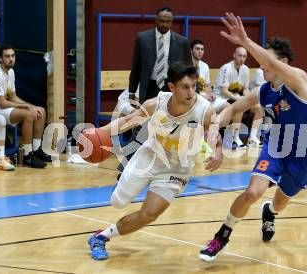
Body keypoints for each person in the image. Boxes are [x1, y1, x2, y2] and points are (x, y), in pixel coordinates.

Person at [199, 13, 307, 261]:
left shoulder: (300, 80)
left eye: (266, 59)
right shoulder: (264, 90)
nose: (260, 63)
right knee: (253, 192)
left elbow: (274, 65)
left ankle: (270, 213)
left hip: (304, 154)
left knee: (280, 202)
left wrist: (245, 41)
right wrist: (215, 128)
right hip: (277, 144)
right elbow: (234, 108)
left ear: (283, 62)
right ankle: (221, 236)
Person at [87, 62, 223, 260]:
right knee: (117, 202)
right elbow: (126, 122)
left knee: (149, 214)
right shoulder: (156, 104)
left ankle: (100, 237)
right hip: (150, 156)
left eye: (194, 86)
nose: (191, 92)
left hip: (178, 168)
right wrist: (99, 133)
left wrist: (218, 150)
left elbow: (215, 131)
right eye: (185, 87)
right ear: (171, 87)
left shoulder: (204, 109)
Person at [0, 44, 50, 168]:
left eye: (12, 56)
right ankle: (27, 156)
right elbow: (2, 103)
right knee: (27, 114)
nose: (11, 59)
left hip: (5, 109)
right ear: (0, 59)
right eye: (7, 56)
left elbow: (13, 97)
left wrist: (31, 106)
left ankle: (36, 150)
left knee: (40, 110)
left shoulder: (10, 72)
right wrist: (26, 107)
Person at [129, 7, 192, 104]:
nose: (164, 24)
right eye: (161, 21)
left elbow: (189, 68)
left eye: (168, 21)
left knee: (171, 117)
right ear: (156, 20)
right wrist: (132, 91)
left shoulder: (182, 42)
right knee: (148, 117)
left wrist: (193, 91)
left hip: (172, 86)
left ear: (172, 22)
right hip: (149, 86)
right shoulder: (142, 39)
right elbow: (136, 67)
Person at [212, 47, 264, 147]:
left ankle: (252, 138)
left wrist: (250, 98)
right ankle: (235, 138)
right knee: (239, 107)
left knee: (258, 107)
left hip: (236, 97)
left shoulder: (246, 69)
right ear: (234, 55)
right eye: (240, 55)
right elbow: (224, 91)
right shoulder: (226, 68)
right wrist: (240, 99)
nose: (242, 58)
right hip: (221, 98)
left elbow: (245, 89)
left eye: (244, 56)